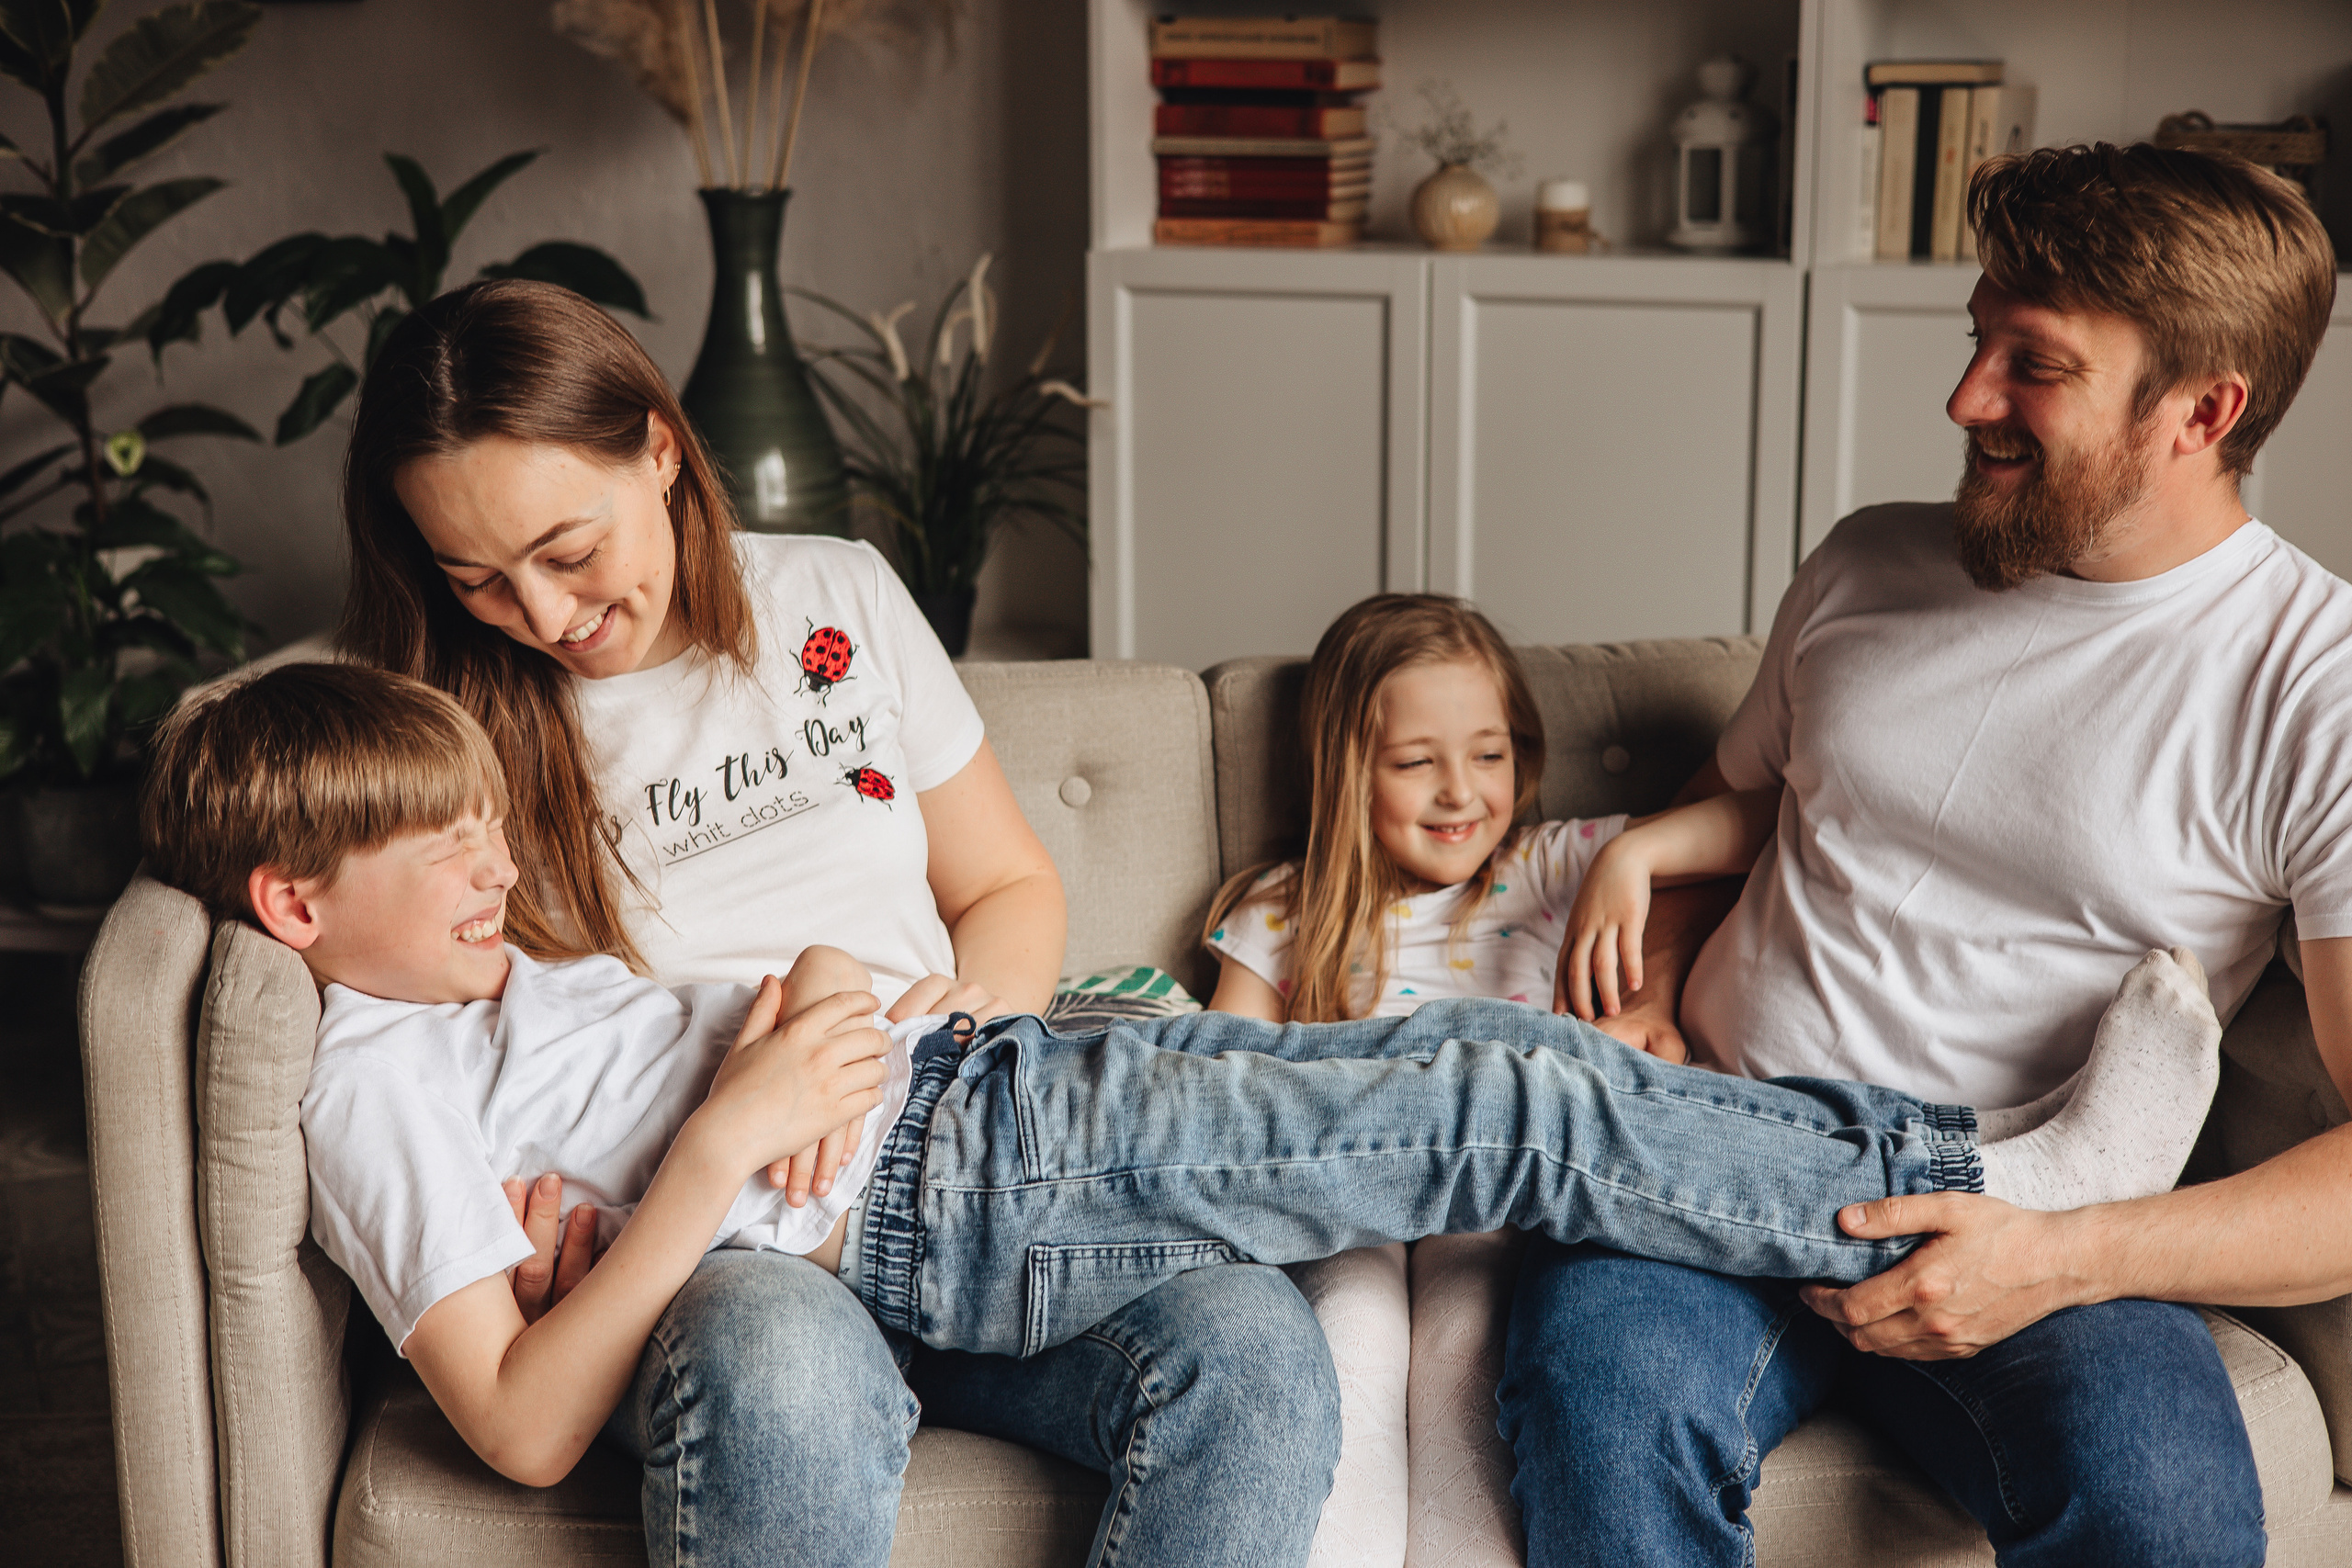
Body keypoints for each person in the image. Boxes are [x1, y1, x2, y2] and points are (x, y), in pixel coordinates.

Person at [143, 660, 2224, 1504]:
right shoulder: (355, 1074)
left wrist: (788, 1001)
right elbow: (514, 1414)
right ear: (290, 900)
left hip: (999, 1097)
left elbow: (639, 1123)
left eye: (487, 828)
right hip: (967, 1168)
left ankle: (1975, 1167)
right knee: (1496, 1093)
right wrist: (707, 1143)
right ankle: (1991, 1177)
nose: (502, 864)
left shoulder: (455, 1007)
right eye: (446, 849)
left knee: (1492, 1076)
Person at [333, 277, 1342, 1568]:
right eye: (475, 576)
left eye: (569, 552)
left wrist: (963, 1031)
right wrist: (530, 1244)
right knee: (780, 1366)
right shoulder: (432, 745)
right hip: (721, 1239)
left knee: (1250, 1341)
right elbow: (429, 1023)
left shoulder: (836, 595)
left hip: (958, 1167)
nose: (541, 615)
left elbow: (1009, 889)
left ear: (658, 449)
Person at [1501, 142, 2349, 1567]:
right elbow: (1728, 820)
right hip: (1713, 1152)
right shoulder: (1862, 564)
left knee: (2169, 1515)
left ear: (2203, 409)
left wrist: (2058, 1256)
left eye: (2035, 363)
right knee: (1599, 1406)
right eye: (1977, 342)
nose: (1966, 400)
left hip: (2046, 1225)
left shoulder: (2311, 685)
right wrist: (1643, 991)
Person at [1204, 592, 2225, 1564]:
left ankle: (1999, 1152)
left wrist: (1637, 853)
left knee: (1471, 1362)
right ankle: (1999, 1164)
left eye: (1490, 754)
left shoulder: (1549, 865)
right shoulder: (1280, 911)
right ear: (1344, 772)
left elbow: (1776, 821)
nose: (1461, 790)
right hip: (1359, 1205)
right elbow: (1224, 1080)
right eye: (1415, 761)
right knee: (1348, 1346)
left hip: (1520, 1209)